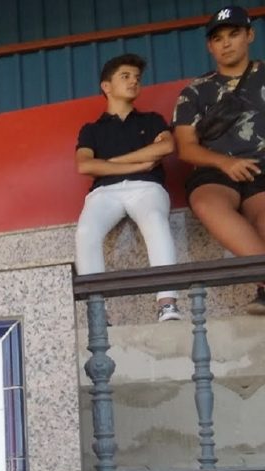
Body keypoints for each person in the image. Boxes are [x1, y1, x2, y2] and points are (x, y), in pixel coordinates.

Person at [75, 53, 183, 321]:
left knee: (155, 220)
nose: (134, 81)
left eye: (137, 77)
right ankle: (97, 313)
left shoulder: (152, 120)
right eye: (125, 76)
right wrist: (139, 163)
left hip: (147, 187)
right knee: (85, 233)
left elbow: (167, 146)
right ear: (106, 86)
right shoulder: (91, 129)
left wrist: (110, 162)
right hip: (104, 193)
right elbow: (85, 165)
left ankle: (167, 303)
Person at [173, 5, 265, 315]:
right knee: (206, 203)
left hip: (262, 169)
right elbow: (186, 148)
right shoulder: (194, 92)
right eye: (218, 38)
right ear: (209, 46)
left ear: (249, 35)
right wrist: (225, 163)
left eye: (233, 34)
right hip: (215, 169)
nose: (226, 43)